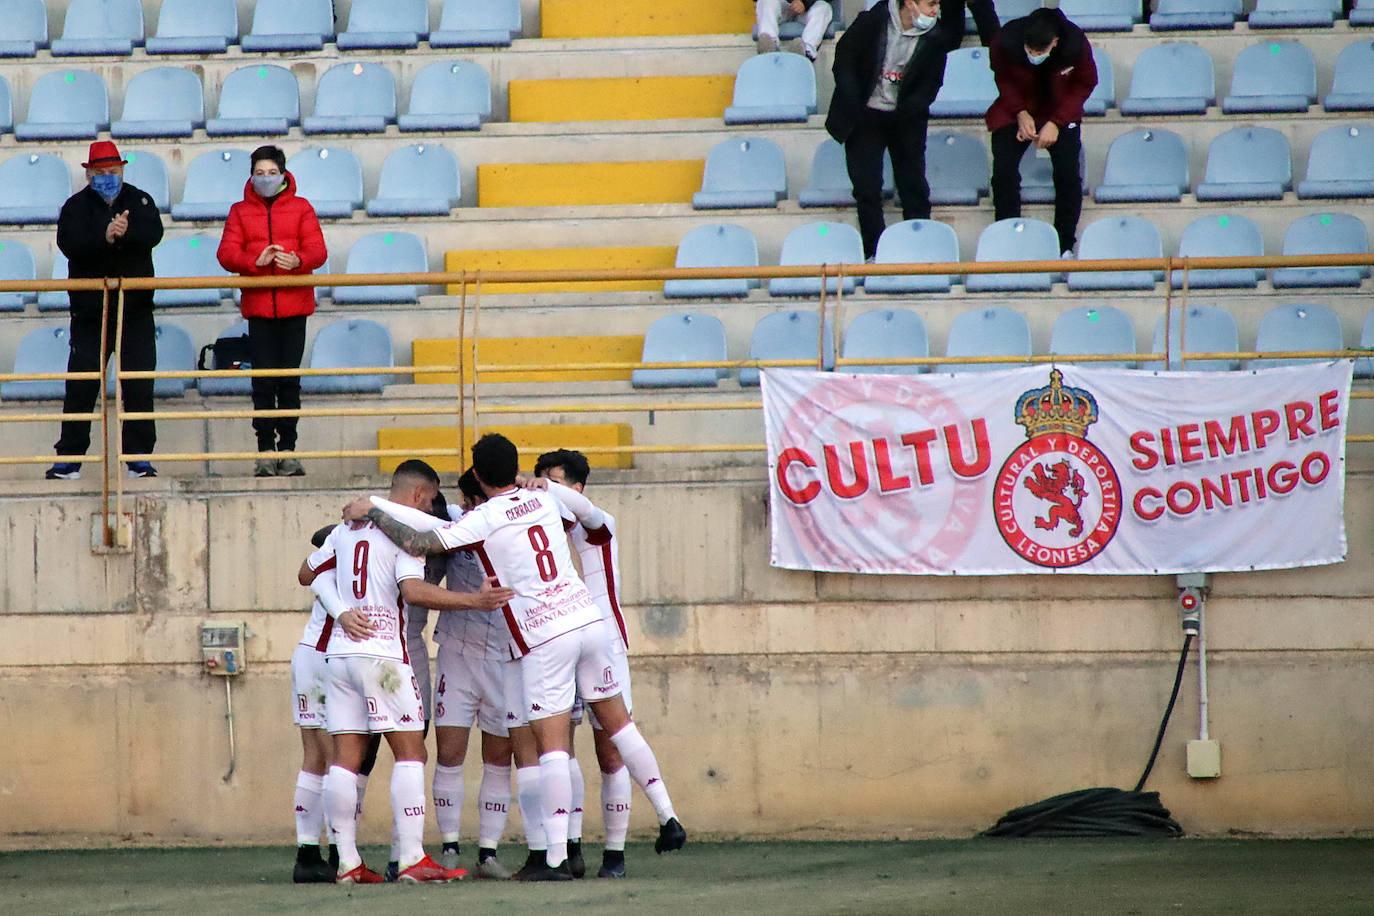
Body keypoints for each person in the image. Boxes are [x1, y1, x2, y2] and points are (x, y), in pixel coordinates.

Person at [343, 434, 687, 882]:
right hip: (588, 620)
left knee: (552, 749)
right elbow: (581, 510)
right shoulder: (542, 499)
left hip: (546, 636)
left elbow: (421, 538)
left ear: (479, 478)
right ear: (517, 469)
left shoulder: (483, 518)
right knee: (622, 727)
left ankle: (556, 858)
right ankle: (668, 817)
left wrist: (373, 507)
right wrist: (538, 484)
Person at [299, 459, 513, 883]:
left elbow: (307, 573)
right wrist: (475, 601)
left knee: (344, 759)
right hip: (384, 657)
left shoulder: (346, 529)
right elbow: (412, 591)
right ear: (419, 496)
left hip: (339, 656)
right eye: (432, 498)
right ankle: (413, 858)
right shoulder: (405, 536)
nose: (435, 507)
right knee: (412, 752)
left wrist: (342, 611)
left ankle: (347, 863)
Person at [825, 0, 999, 261]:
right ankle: (875, 252)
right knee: (867, 189)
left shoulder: (935, 38)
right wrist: (853, 98)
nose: (935, 10)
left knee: (914, 186)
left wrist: (907, 110)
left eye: (938, 4)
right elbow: (844, 59)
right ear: (909, 3)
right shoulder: (870, 22)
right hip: (865, 116)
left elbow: (931, 84)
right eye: (930, 3)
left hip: (906, 118)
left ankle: (920, 250)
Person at [531, 449, 635, 879]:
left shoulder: (598, 525)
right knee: (560, 748)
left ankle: (615, 852)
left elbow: (587, 513)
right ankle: (570, 845)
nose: (542, 491)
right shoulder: (537, 534)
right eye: (540, 482)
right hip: (559, 643)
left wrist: (547, 489)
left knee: (611, 752)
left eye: (553, 482)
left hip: (605, 645)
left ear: (576, 488)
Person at [47, 141, 164, 481]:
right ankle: (69, 458)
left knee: (139, 384)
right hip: (90, 313)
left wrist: (127, 233)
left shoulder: (140, 200)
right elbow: (70, 244)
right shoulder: (74, 207)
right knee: (82, 385)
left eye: (114, 172)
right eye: (101, 173)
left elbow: (153, 234)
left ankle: (139, 457)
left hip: (135, 312)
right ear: (89, 174)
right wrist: (106, 237)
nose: (108, 178)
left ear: (123, 171)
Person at [217, 145, 327, 478]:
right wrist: (255, 261)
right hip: (259, 310)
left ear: (283, 174)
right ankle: (266, 450)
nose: (266, 179)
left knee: (288, 381)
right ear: (252, 175)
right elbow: (226, 254)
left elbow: (318, 251)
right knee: (263, 382)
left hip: (295, 308)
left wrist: (299, 261)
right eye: (259, 173)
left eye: (271, 172)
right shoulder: (238, 211)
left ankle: (289, 450)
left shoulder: (302, 207)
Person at [986, 6, 1097, 257]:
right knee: (1003, 170)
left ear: (1055, 43)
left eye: (1040, 51)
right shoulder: (1005, 41)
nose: (1033, 55)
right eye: (1029, 50)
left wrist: (1056, 123)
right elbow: (1002, 77)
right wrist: (1020, 112)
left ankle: (1063, 245)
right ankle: (1006, 237)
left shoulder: (1076, 45)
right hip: (1018, 108)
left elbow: (1085, 83)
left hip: (1060, 110)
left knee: (1068, 175)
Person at [755, 0, 833, 61]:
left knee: (823, 7)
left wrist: (805, 3)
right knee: (765, 1)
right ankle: (770, 47)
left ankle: (805, 52)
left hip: (809, 8)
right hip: (782, 5)